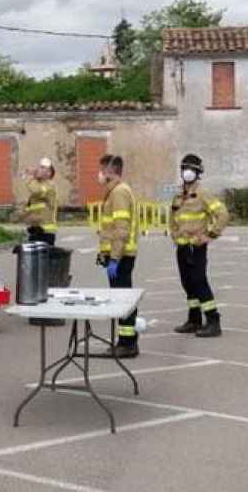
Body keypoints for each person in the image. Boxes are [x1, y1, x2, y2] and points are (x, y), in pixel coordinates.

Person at [171, 158, 229, 338]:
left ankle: (213, 320)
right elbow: (173, 218)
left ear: (197, 172)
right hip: (182, 247)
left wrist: (210, 235)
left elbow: (222, 214)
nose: (187, 172)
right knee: (188, 284)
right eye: (184, 169)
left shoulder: (203, 193)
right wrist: (174, 234)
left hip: (196, 247)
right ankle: (194, 319)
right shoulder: (179, 195)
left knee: (199, 282)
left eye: (190, 169)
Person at [95, 153, 140, 359]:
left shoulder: (119, 193)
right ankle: (125, 341)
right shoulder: (115, 191)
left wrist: (114, 258)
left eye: (103, 170)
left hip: (121, 256)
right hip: (118, 255)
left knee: (123, 299)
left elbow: (121, 229)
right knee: (122, 297)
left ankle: (127, 343)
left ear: (112, 172)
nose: (100, 174)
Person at [19, 157, 59, 244]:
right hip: (35, 229)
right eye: (39, 167)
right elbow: (30, 208)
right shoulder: (37, 183)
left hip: (46, 232)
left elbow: (36, 191)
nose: (38, 170)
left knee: (44, 256)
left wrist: (32, 177)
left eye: (42, 168)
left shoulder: (50, 185)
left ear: (49, 173)